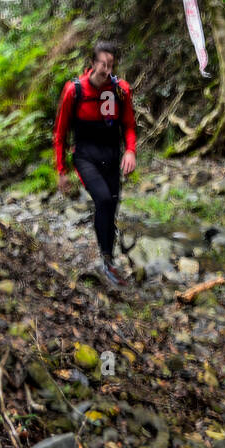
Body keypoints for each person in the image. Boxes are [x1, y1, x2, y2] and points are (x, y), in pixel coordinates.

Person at [53, 42, 137, 287]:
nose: (106, 70)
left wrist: (130, 151)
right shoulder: (74, 91)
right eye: (102, 65)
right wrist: (61, 171)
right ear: (92, 64)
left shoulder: (120, 90)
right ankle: (107, 260)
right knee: (102, 199)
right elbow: (60, 133)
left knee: (111, 206)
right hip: (85, 155)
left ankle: (108, 253)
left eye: (110, 66)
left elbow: (129, 125)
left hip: (111, 154)